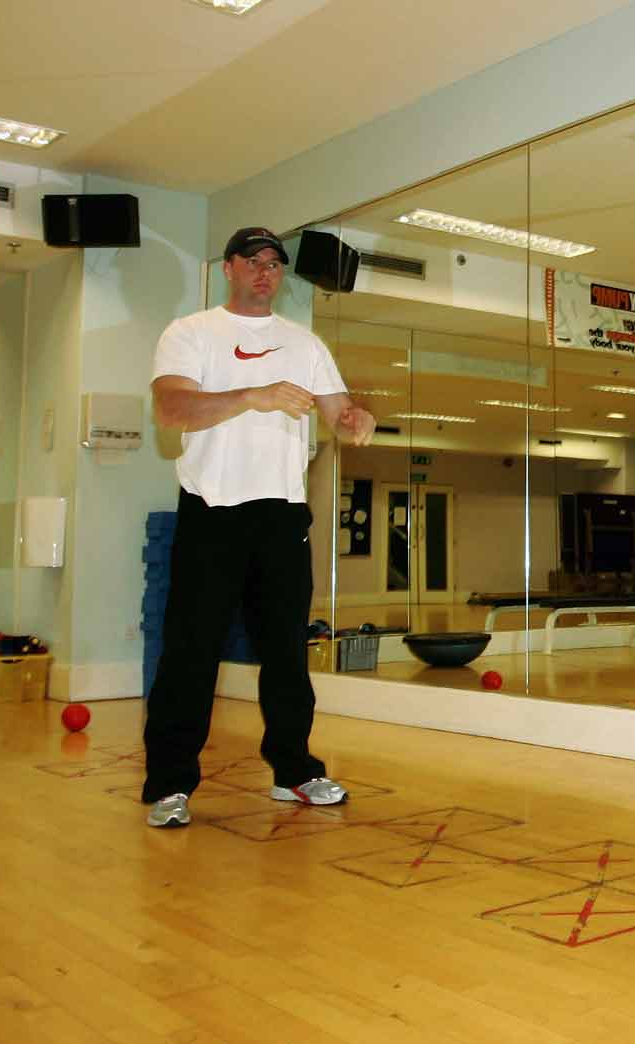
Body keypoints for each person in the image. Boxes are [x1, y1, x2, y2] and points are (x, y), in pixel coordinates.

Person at [141, 227, 376, 828]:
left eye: (275, 264)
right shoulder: (191, 333)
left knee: (286, 653)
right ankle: (170, 785)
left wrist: (354, 418)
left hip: (281, 512)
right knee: (191, 653)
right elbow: (172, 410)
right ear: (229, 268)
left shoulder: (305, 343)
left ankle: (294, 770)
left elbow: (338, 413)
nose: (266, 272)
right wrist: (255, 395)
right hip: (212, 510)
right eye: (254, 261)